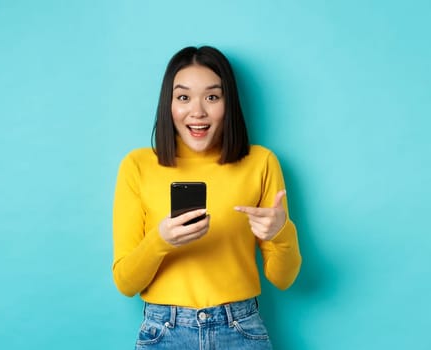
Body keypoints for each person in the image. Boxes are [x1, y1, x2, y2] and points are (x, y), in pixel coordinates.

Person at [111, 46, 301, 349]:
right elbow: (125, 282)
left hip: (240, 328)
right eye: (183, 97)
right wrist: (160, 240)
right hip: (164, 331)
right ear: (168, 104)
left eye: (212, 97)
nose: (197, 111)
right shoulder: (137, 166)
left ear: (229, 103)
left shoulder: (261, 162)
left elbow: (283, 279)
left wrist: (281, 233)